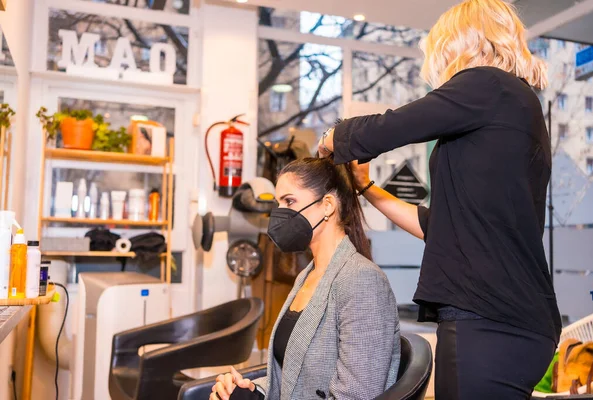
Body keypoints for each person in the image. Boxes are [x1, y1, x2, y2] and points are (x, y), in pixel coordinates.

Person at [318, 0, 561, 398]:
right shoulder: (511, 105)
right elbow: (437, 228)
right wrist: (365, 187)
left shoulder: (488, 84)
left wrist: (334, 138)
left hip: (489, 319)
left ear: (463, 41)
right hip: (512, 319)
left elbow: (396, 124)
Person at [209, 157, 400, 400]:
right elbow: (293, 377)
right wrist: (250, 391)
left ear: (328, 205)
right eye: (279, 204)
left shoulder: (362, 280)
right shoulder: (307, 275)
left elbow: (358, 395)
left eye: (289, 201)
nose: (280, 213)